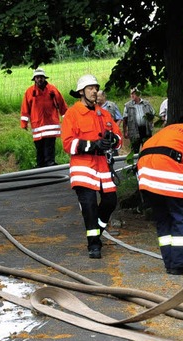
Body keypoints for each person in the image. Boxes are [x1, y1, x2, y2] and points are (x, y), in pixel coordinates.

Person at [61, 75, 122, 259]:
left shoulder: (104, 114)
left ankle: (97, 230)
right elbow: (68, 144)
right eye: (90, 88)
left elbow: (118, 140)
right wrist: (92, 145)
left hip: (102, 166)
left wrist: (113, 140)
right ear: (81, 91)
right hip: (83, 167)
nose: (95, 91)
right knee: (88, 205)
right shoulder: (72, 114)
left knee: (110, 201)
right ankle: (93, 244)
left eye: (96, 88)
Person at [137, 114, 183, 275]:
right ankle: (182, 264)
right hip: (168, 167)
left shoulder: (173, 129)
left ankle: (170, 262)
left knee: (163, 218)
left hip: (145, 172)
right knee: (182, 216)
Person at [20, 68, 69, 168]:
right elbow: (25, 108)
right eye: (37, 78)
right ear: (34, 79)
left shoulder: (52, 90)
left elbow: (62, 104)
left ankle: (49, 165)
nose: (39, 79)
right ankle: (41, 166)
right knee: (39, 148)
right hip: (37, 125)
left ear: (44, 78)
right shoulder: (30, 92)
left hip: (51, 125)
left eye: (41, 77)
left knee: (49, 147)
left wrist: (67, 119)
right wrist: (24, 122)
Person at [122, 87, 156, 154]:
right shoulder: (127, 106)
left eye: (134, 93)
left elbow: (153, 114)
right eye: (131, 94)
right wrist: (125, 131)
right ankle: (135, 164)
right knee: (135, 151)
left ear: (138, 94)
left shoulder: (147, 104)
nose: (132, 95)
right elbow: (125, 120)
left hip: (146, 130)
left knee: (147, 149)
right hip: (134, 131)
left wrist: (151, 124)